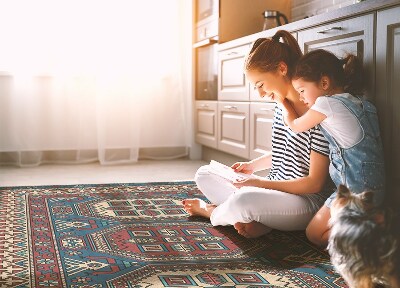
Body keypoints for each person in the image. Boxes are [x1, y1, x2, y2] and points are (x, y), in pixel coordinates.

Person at [182, 30, 335, 241]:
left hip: (305, 201)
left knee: (244, 199)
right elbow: (284, 150)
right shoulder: (281, 106)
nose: (261, 94)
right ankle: (262, 220)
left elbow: (315, 184)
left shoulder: (316, 110)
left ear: (282, 68)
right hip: (276, 190)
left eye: (261, 85)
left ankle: (211, 212)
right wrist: (253, 166)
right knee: (204, 173)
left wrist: (259, 184)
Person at [280, 49, 386, 246]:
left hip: (354, 191)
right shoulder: (364, 104)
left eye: (302, 90)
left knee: (314, 234)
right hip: (378, 189)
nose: (301, 98)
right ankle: (368, 221)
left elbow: (296, 127)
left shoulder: (325, 104)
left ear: (324, 83)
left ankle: (370, 226)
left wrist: (285, 107)